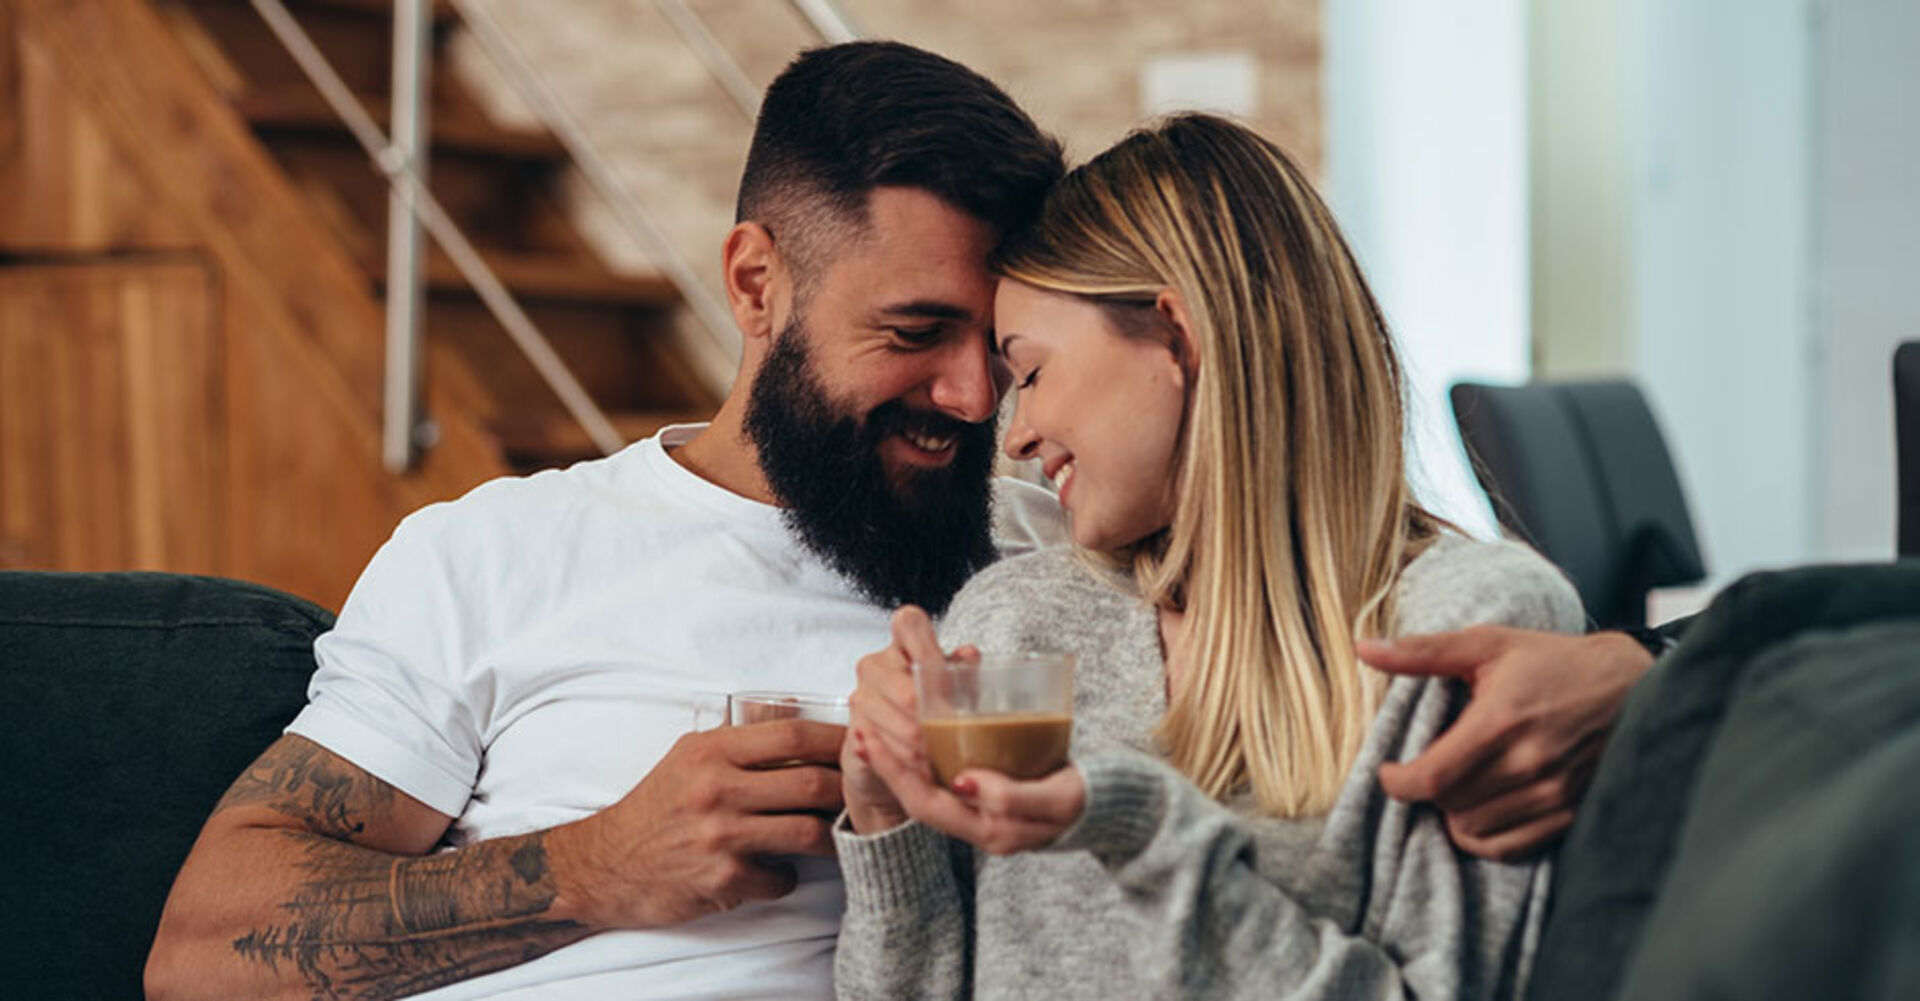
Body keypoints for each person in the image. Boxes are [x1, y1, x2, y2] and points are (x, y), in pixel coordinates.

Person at [144, 41, 1067, 1001]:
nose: (972, 397)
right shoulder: (499, 551)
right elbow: (202, 959)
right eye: (914, 333)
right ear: (756, 284)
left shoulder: (1067, 565)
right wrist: (594, 868)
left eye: (1000, 344)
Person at [835, 114, 1588, 999]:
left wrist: (1141, 828)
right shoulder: (1015, 622)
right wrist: (889, 827)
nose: (1017, 436)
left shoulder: (1465, 633)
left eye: (1030, 372)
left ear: (1179, 338)